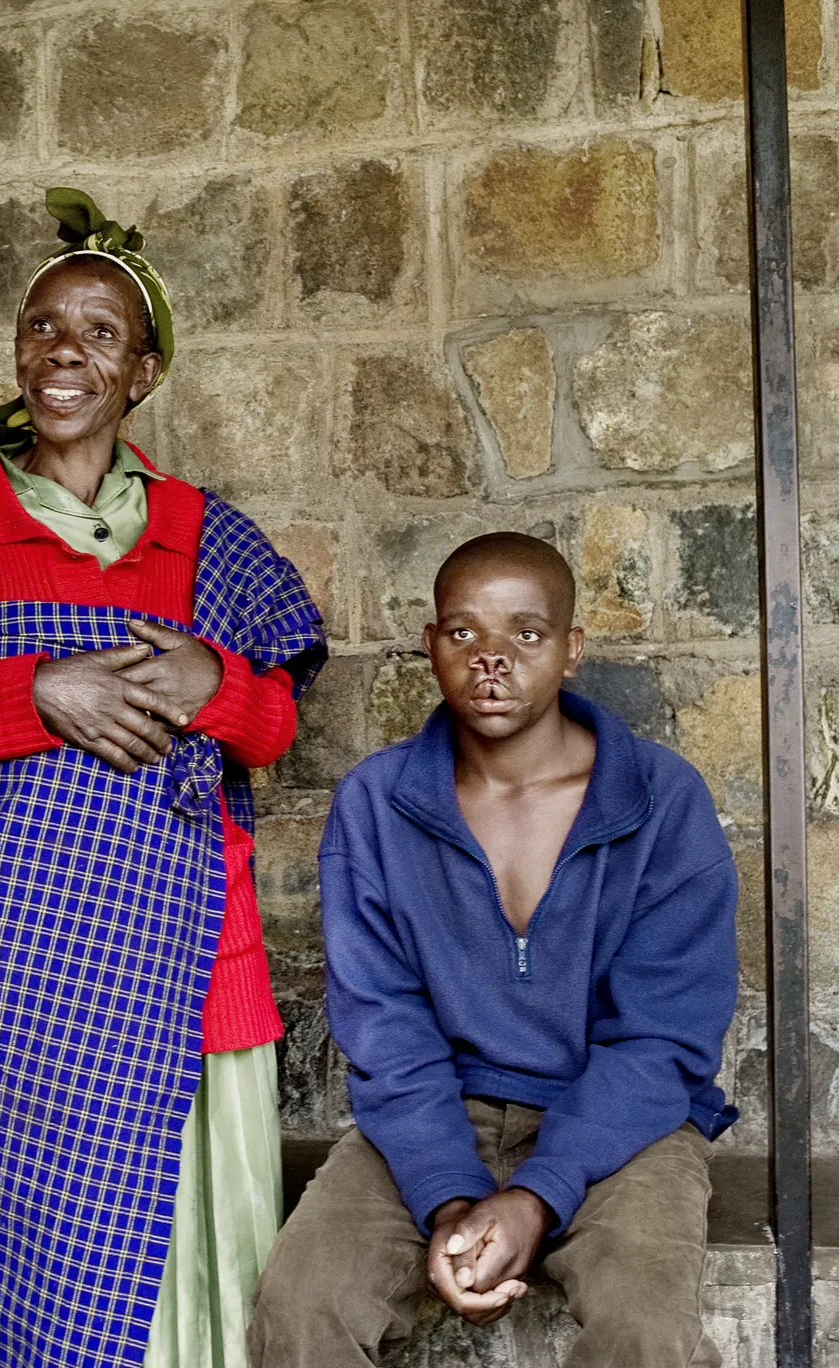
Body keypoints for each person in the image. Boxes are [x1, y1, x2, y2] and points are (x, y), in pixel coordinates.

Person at [0, 188, 325, 1368]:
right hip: (18, 973)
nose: (65, 353)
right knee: (42, 1259)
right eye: (43, 328)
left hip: (188, 953)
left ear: (142, 371)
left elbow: (269, 730)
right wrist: (35, 690)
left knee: (200, 1256)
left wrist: (214, 681)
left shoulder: (208, 535)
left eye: (99, 334)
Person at [248, 533, 739, 1367]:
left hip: (627, 1122)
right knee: (304, 1305)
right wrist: (450, 1200)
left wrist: (536, 1198)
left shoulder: (658, 797)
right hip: (440, 1110)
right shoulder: (379, 802)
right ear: (432, 645)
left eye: (527, 634)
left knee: (644, 1324)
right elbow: (385, 1027)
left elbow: (664, 1038)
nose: (492, 660)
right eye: (463, 633)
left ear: (572, 650)